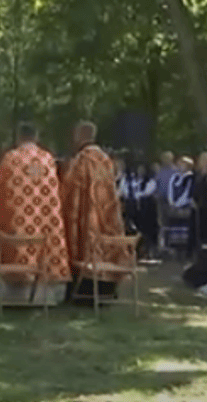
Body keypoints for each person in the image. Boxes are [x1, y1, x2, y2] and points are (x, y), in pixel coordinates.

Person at [0, 122, 70, 306]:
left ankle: (17, 296)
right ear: (36, 137)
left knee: (16, 243)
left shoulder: (11, 159)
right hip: (45, 227)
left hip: (18, 226)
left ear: (19, 137)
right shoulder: (47, 159)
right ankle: (47, 295)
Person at [60, 121, 129, 304]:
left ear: (81, 135)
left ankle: (83, 292)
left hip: (85, 216)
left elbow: (69, 189)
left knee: (83, 246)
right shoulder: (106, 160)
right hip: (105, 216)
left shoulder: (81, 160)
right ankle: (106, 290)